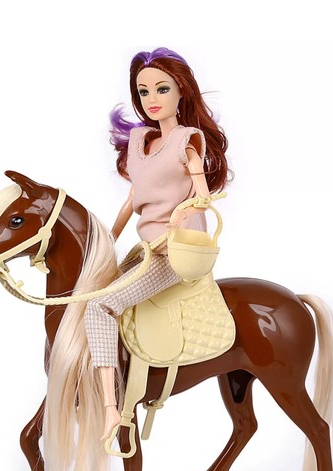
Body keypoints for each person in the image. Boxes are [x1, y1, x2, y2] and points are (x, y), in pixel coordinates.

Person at [84, 47, 231, 441]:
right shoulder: (140, 141)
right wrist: (107, 237)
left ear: (182, 91)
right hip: (146, 250)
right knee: (92, 290)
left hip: (174, 254)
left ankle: (112, 410)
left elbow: (204, 196)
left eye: (162, 89)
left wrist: (182, 215)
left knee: (100, 306)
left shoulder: (186, 141)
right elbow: (134, 198)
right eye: (144, 91)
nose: (152, 99)